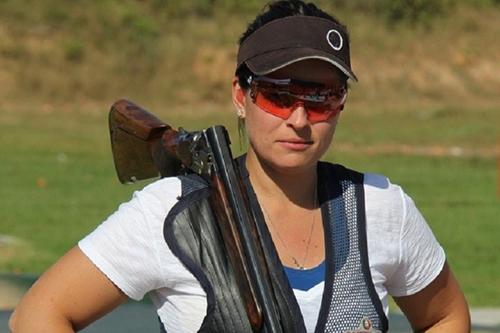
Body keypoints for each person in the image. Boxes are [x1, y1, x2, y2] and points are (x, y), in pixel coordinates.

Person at [10, 1, 470, 332]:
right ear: (240, 95)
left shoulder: (382, 208)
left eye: (323, 98)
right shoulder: (173, 213)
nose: (298, 118)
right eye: (279, 94)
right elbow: (38, 314)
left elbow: (447, 317)